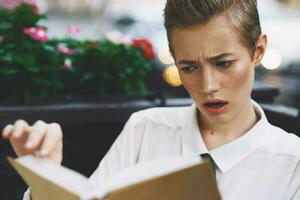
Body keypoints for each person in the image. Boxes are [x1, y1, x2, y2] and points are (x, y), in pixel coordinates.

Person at [2, 0, 300, 199]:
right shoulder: (145, 129)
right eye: (189, 67)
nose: (208, 85)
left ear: (258, 51)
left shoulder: (292, 163)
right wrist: (46, 175)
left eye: (223, 63)